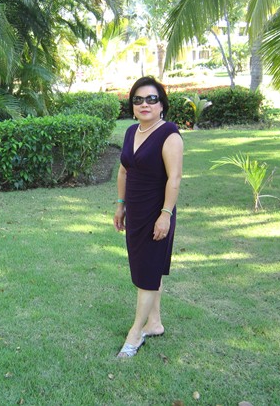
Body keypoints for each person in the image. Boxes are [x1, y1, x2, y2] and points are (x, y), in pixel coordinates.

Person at [113, 76, 183, 358]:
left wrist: (165, 215)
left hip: (156, 213)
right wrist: (121, 205)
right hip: (136, 212)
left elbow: (174, 179)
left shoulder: (169, 135)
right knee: (146, 270)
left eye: (151, 99)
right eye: (138, 100)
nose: (145, 104)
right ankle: (154, 323)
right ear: (132, 106)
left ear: (161, 104)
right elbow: (123, 171)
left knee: (147, 274)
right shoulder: (132, 132)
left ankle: (135, 333)